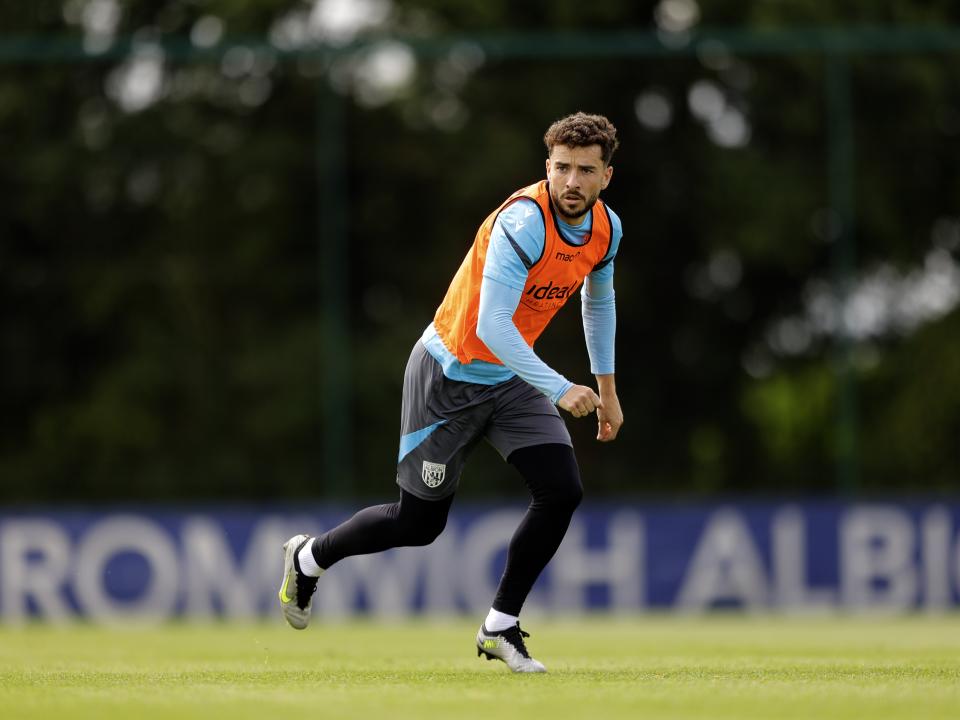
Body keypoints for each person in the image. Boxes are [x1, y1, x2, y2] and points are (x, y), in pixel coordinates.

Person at [278, 112, 624, 673]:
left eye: (585, 170)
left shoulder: (607, 229)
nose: (571, 182)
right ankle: (309, 557)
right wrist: (561, 388)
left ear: (606, 175)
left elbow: (598, 302)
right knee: (418, 525)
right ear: (547, 167)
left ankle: (500, 627)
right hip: (450, 377)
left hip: (512, 380)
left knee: (561, 489)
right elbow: (491, 327)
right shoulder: (523, 223)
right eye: (561, 167)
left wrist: (607, 390)